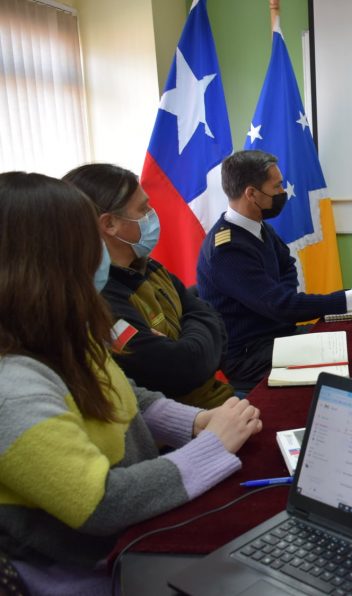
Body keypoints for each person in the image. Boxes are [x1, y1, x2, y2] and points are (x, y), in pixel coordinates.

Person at [0, 172, 263, 594]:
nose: (99, 255)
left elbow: (123, 396)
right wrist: (211, 447)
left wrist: (196, 423)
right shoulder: (12, 386)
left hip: (132, 536)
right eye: (87, 241)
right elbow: (101, 503)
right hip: (84, 567)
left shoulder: (59, 332)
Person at [197, 150, 352, 391]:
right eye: (276, 186)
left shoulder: (258, 227)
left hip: (280, 334)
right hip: (250, 355)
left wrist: (278, 301)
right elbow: (280, 305)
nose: (282, 192)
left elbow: (286, 267)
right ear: (251, 194)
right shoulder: (227, 249)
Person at [63, 163, 234, 409]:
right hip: (183, 424)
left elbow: (215, 325)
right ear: (109, 224)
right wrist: (198, 327)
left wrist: (192, 332)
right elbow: (183, 370)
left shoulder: (149, 267)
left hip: (219, 403)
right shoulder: (100, 297)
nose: (153, 214)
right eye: (143, 209)